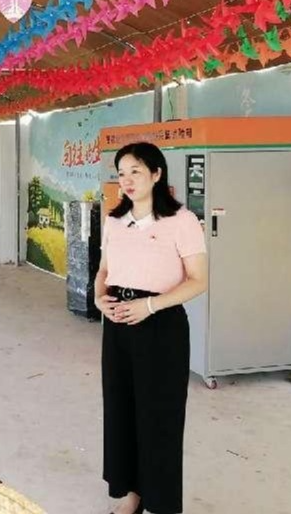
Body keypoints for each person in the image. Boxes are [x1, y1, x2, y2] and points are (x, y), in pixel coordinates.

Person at [94, 142, 208, 514]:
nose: (127, 180)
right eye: (121, 173)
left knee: (159, 415)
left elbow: (198, 280)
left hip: (161, 325)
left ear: (157, 174)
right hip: (118, 324)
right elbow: (104, 270)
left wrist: (149, 306)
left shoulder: (181, 221)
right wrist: (98, 298)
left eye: (136, 171)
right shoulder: (114, 221)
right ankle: (130, 493)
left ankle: (160, 501)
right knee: (121, 410)